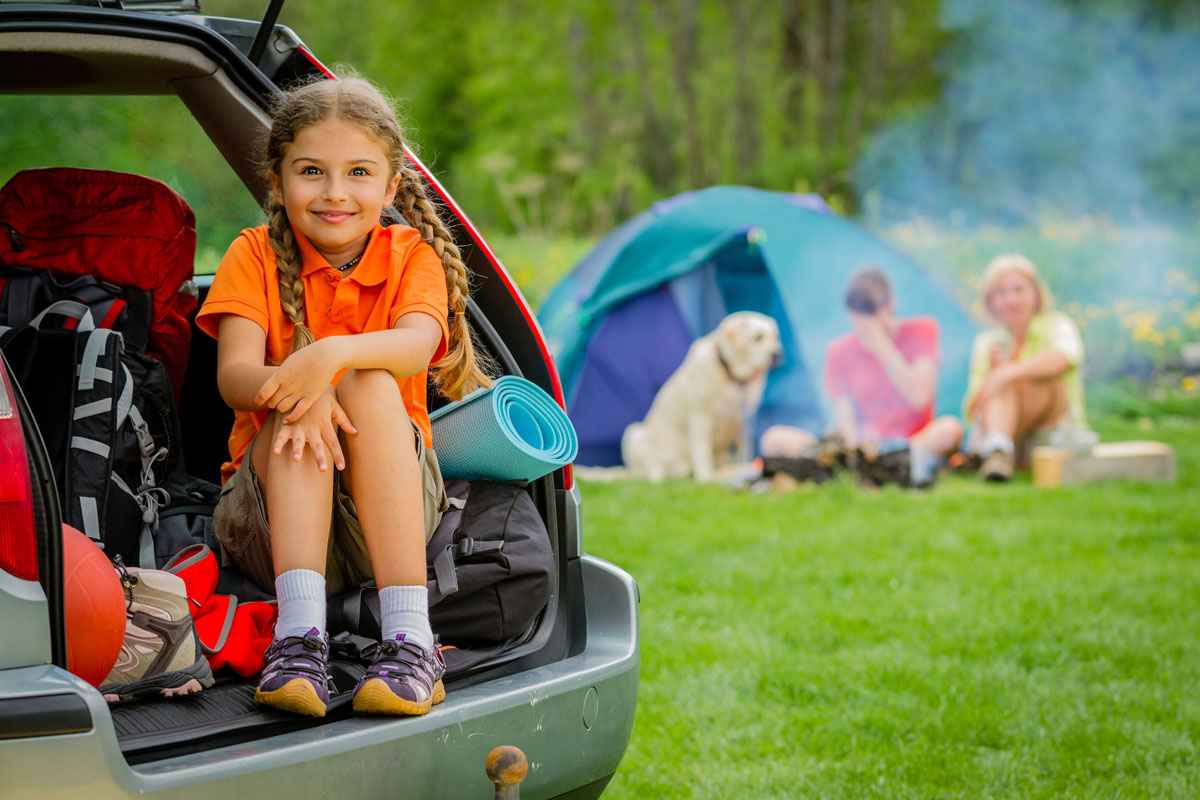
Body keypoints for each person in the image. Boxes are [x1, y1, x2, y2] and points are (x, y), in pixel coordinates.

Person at [195, 76, 491, 718]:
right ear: (277, 181)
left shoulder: (412, 256)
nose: (334, 193)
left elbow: (416, 346)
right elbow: (233, 376)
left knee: (367, 381)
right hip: (267, 525)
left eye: (358, 172)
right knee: (295, 407)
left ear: (390, 187)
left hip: (387, 522)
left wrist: (325, 358)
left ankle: (411, 642)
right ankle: (298, 642)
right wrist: (300, 390)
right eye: (311, 172)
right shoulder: (252, 255)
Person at [820, 266, 963, 485]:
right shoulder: (839, 351)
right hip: (869, 443)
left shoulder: (922, 330)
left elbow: (919, 397)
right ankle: (883, 467)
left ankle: (901, 462)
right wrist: (856, 445)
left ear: (891, 304)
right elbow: (844, 418)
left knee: (950, 428)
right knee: (778, 439)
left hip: (916, 439)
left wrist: (881, 345)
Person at [965, 254, 1084, 482]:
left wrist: (1009, 373)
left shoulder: (1058, 325)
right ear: (990, 301)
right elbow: (974, 409)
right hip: (1010, 426)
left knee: (1040, 377)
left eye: (1019, 290)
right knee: (1002, 383)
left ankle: (1001, 453)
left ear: (1036, 294)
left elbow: (1066, 358)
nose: (1011, 299)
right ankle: (999, 452)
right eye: (1001, 293)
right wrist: (994, 375)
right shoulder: (987, 343)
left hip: (1050, 424)